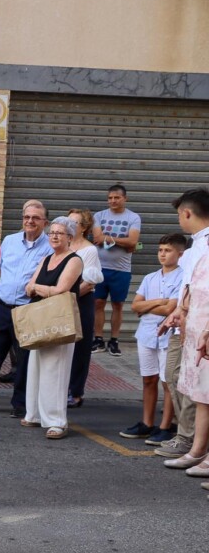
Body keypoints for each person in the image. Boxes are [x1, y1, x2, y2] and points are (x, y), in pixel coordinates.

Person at [0, 201, 50, 417]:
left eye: (36, 218)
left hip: (28, 310)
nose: (30, 221)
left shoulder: (49, 247)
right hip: (2, 306)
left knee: (26, 359)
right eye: (27, 217)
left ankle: (20, 404)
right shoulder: (9, 241)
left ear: (45, 222)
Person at [156, 188, 209, 461]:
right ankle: (192, 442)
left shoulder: (205, 244)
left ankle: (191, 441)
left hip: (201, 326)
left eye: (179, 214)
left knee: (198, 386)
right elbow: (190, 288)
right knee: (183, 381)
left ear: (187, 213)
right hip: (188, 321)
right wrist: (178, 311)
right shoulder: (195, 245)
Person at [22, 218, 84, 439]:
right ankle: (35, 414)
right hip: (41, 317)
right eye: (52, 233)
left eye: (60, 233)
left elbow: (61, 289)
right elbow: (28, 285)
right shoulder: (47, 257)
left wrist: (36, 288)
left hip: (59, 318)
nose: (55, 236)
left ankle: (57, 421)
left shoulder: (74, 260)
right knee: (36, 365)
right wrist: (37, 287)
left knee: (55, 370)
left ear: (70, 237)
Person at [120, 234, 185, 444]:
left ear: (180, 254)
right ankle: (147, 423)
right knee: (148, 379)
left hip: (168, 335)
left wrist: (151, 306)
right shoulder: (150, 278)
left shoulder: (183, 277)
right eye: (160, 250)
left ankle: (166, 425)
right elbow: (135, 305)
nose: (162, 254)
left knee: (168, 382)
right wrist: (159, 302)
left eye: (168, 250)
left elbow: (170, 309)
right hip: (146, 333)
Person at [92, 184, 141, 356]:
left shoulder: (133, 217)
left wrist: (107, 238)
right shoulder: (99, 216)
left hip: (121, 269)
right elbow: (96, 237)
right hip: (100, 267)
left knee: (118, 305)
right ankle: (98, 339)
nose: (113, 200)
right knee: (98, 303)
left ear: (124, 198)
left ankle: (114, 340)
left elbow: (133, 242)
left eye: (117, 197)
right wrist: (123, 241)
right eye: (110, 198)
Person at [66, 209, 105, 409]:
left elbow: (88, 283)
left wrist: (65, 295)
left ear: (84, 228)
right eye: (68, 221)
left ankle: (76, 392)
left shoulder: (89, 250)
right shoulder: (61, 244)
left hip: (80, 302)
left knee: (80, 348)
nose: (70, 226)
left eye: (75, 223)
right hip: (62, 301)